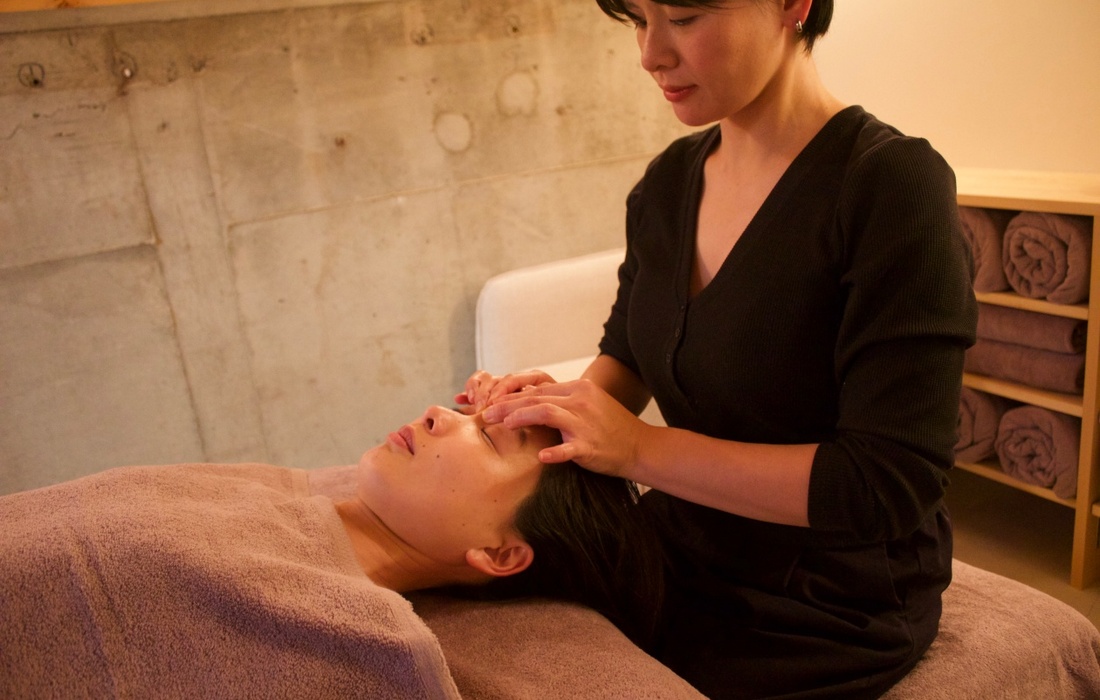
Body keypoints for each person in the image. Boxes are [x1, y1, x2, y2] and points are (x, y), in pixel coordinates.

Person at [459, 1, 978, 698]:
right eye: (637, 19)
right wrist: (543, 408)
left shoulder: (889, 185)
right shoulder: (668, 183)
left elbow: (885, 484)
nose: (650, 54)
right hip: (686, 540)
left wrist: (638, 449)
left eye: (683, 15)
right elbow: (630, 353)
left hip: (827, 597)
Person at [0, 406, 664, 698]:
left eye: (487, 439)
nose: (437, 413)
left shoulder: (344, 638)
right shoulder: (266, 496)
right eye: (469, 411)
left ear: (498, 553)